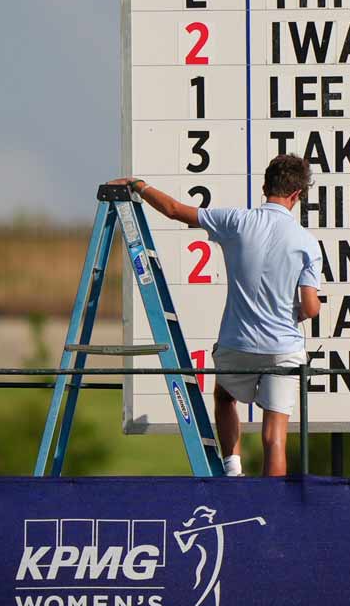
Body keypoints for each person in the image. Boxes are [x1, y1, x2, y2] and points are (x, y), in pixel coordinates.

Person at [112, 154, 322, 476]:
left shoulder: (236, 221)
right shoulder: (306, 242)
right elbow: (309, 308)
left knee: (224, 397)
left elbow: (174, 210)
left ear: (265, 186)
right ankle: (273, 512)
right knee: (274, 436)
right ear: (297, 195)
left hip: (236, 343)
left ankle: (232, 468)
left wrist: (140, 186)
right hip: (283, 349)